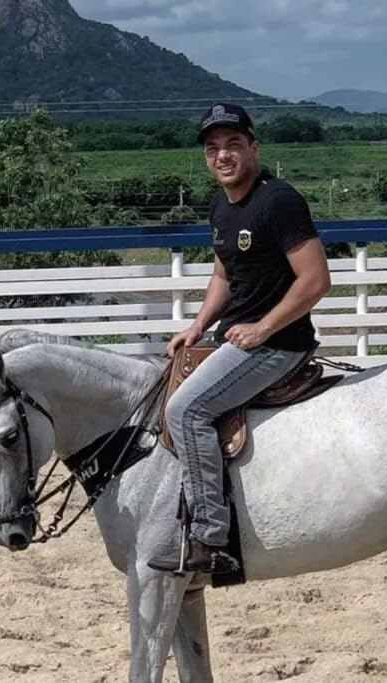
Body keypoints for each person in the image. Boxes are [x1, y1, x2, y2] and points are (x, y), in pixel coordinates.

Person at [149, 103, 331, 574]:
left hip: (277, 344)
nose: (222, 155)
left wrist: (262, 328)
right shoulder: (220, 206)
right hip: (236, 338)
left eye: (233, 144)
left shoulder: (278, 201)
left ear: (254, 147)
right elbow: (224, 274)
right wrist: (196, 325)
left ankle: (211, 538)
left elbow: (315, 281)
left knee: (185, 410)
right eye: (213, 148)